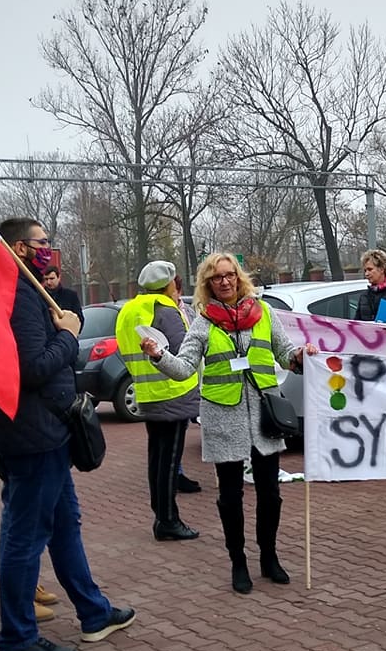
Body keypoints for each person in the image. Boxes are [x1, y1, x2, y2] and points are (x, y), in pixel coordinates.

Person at [0, 217, 134, 651]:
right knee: (25, 536)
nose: (50, 249)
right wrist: (69, 334)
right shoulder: (16, 297)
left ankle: (93, 612)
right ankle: (17, 638)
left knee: (65, 523)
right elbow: (32, 368)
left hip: (46, 431)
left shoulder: (24, 291)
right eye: (42, 242)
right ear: (19, 248)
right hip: (32, 434)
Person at [141, 253, 316, 595]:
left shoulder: (264, 313)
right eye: (216, 278)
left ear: (239, 278)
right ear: (207, 285)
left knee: (270, 493)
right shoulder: (203, 323)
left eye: (230, 275)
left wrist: (299, 357)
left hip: (265, 414)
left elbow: (284, 353)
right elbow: (185, 368)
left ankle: (269, 556)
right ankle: (238, 560)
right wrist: (158, 355)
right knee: (230, 496)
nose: (225, 282)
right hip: (224, 417)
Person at [116, 260, 201, 541]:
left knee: (157, 459)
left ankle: (162, 516)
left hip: (146, 392)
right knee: (169, 461)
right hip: (173, 392)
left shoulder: (130, 309)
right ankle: (167, 520)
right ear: (169, 283)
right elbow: (182, 351)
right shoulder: (166, 311)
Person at [171, 274, 201, 495]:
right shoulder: (160, 312)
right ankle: (176, 473)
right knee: (175, 431)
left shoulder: (189, 311)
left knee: (185, 427)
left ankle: (177, 473)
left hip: (193, 377)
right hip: (172, 378)